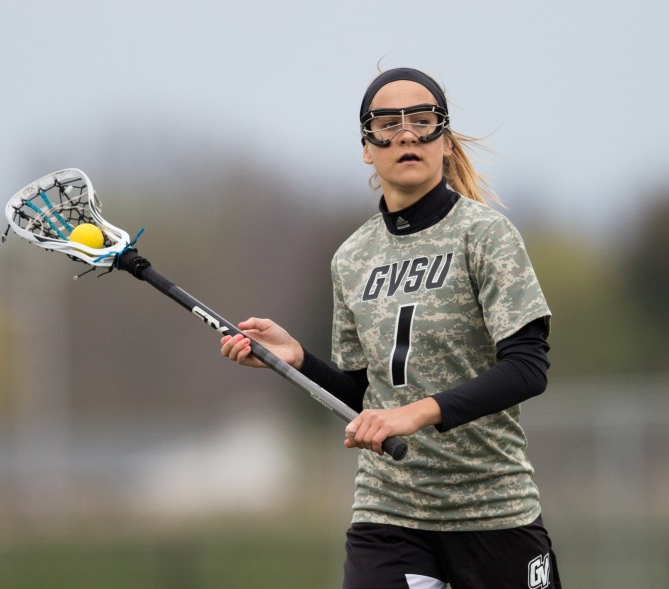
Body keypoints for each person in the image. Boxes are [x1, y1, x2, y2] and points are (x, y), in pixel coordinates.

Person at [220, 67, 561, 589]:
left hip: (493, 511)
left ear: (444, 142)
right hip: (389, 514)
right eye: (387, 124)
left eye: (423, 121)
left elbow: (528, 368)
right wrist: (298, 361)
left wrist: (415, 415)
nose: (405, 134)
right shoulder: (352, 257)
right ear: (366, 147)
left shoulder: (486, 235)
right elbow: (362, 396)